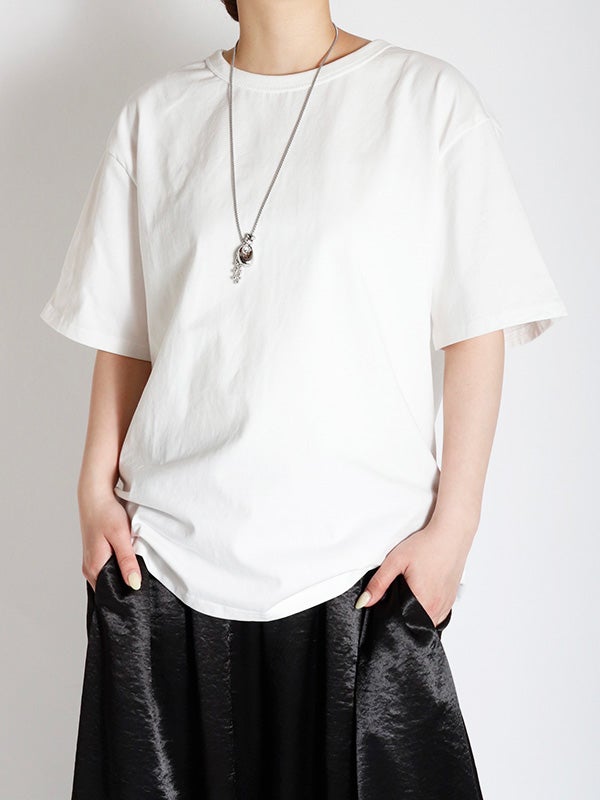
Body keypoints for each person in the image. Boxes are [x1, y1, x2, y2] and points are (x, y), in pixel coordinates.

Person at [39, 2, 568, 798]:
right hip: (167, 571)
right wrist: (92, 492)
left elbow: (477, 325)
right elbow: (126, 332)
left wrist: (454, 529)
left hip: (361, 576)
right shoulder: (156, 118)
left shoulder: (426, 101)